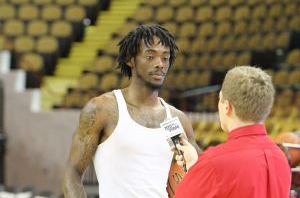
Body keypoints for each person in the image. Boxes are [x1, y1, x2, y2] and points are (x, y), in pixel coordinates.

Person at [62, 24, 200, 198]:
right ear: (130, 59)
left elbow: (203, 172)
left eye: (165, 58)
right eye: (151, 56)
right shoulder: (102, 109)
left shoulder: (177, 118)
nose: (160, 64)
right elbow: (72, 173)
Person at [173, 66, 291, 198]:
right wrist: (196, 167)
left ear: (227, 106)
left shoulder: (213, 163)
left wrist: (199, 170)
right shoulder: (281, 158)